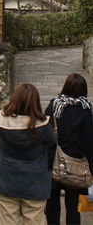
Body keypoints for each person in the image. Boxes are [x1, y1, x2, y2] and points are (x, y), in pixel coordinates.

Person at [0, 83, 57, 225]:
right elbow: (52, 141)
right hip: (35, 182)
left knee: (7, 221)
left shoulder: (2, 120)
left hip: (6, 179)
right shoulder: (43, 125)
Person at [45, 73, 93, 225]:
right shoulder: (85, 110)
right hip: (76, 162)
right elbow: (89, 142)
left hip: (53, 160)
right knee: (73, 206)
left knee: (52, 202)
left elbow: (45, 132)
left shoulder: (54, 105)